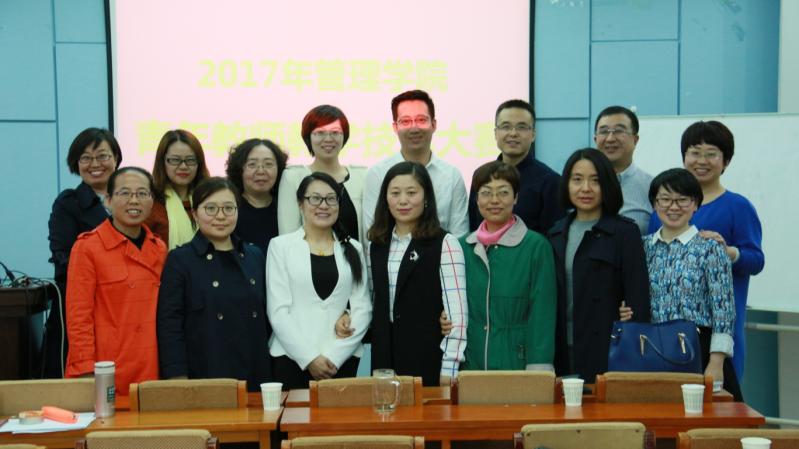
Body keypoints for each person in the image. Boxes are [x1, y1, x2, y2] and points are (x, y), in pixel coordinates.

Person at [647, 120, 764, 380]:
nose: (702, 161)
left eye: (711, 153)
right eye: (695, 152)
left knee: (720, 392)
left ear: (726, 161)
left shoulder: (738, 206)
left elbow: (757, 260)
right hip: (662, 332)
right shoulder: (662, 212)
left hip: (718, 325)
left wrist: (729, 252)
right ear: (684, 157)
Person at [629, 168, 742, 400]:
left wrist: (716, 362)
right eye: (665, 199)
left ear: (695, 205)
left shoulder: (710, 248)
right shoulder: (641, 248)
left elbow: (724, 311)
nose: (673, 207)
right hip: (651, 348)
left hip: (698, 349)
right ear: (654, 204)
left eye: (682, 200)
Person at [157, 177, 271, 391]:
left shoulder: (254, 255)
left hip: (255, 370)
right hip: (205, 371)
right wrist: (176, 376)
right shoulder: (180, 260)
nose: (220, 216)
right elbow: (170, 324)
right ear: (195, 214)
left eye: (228, 208)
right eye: (210, 208)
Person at [548, 149, 650, 382]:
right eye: (577, 179)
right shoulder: (555, 233)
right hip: (561, 347)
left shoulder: (625, 232)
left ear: (608, 185)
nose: (586, 188)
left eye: (595, 180)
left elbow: (638, 300)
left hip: (609, 348)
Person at [65, 167, 167, 395]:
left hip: (151, 366)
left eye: (142, 193)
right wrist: (84, 369)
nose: (134, 200)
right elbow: (78, 316)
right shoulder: (88, 247)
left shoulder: (159, 248)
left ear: (152, 201)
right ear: (108, 200)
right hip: (107, 368)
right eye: (125, 193)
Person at [266, 172, 371, 389]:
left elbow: (363, 308)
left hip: (341, 360)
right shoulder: (280, 247)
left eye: (331, 199)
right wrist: (310, 358)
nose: (323, 205)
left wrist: (334, 356)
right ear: (300, 204)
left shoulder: (354, 248)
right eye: (315, 198)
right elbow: (278, 311)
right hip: (292, 358)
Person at [368, 161, 467, 386]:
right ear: (385, 199)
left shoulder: (445, 243)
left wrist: (450, 367)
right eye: (395, 193)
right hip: (384, 360)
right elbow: (377, 301)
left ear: (426, 197)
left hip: (428, 356)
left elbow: (457, 313)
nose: (403, 200)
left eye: (411, 193)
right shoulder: (377, 245)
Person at [460, 161, 556, 371]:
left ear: (516, 197)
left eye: (503, 192)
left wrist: (538, 370)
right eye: (486, 193)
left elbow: (542, 313)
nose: (494, 200)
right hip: (470, 365)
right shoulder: (462, 247)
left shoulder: (535, 246)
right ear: (476, 199)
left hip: (517, 363)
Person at [45, 127, 122, 378]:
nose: (95, 164)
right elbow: (63, 257)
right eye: (86, 158)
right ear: (76, 164)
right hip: (83, 308)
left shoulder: (131, 198)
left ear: (116, 158)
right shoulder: (68, 203)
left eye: (102, 156)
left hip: (123, 308)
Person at [362, 89, 468, 237]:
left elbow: (459, 235)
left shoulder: (451, 176)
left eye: (421, 120)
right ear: (395, 127)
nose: (414, 128)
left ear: (434, 124)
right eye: (405, 121)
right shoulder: (378, 173)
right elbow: (372, 234)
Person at [467, 99, 563, 234]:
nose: (513, 133)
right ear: (496, 133)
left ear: (533, 134)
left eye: (521, 127)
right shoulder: (481, 176)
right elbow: (474, 228)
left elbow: (553, 236)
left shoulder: (550, 181)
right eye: (506, 127)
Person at [278, 105, 367, 243]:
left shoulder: (361, 177)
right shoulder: (293, 177)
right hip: (308, 256)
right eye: (320, 133)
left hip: (355, 256)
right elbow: (287, 235)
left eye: (335, 132)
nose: (328, 139)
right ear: (308, 137)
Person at [145, 129, 210, 249]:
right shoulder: (150, 203)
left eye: (190, 160)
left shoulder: (209, 199)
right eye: (175, 160)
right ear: (162, 162)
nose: (183, 166)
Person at [594, 106, 653, 234]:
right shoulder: (580, 186)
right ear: (595, 139)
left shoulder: (652, 187)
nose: (610, 138)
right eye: (604, 131)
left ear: (635, 140)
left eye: (619, 131)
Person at [226, 138, 288, 254]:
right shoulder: (229, 209)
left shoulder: (288, 208)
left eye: (268, 164)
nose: (261, 171)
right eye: (252, 164)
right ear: (239, 169)